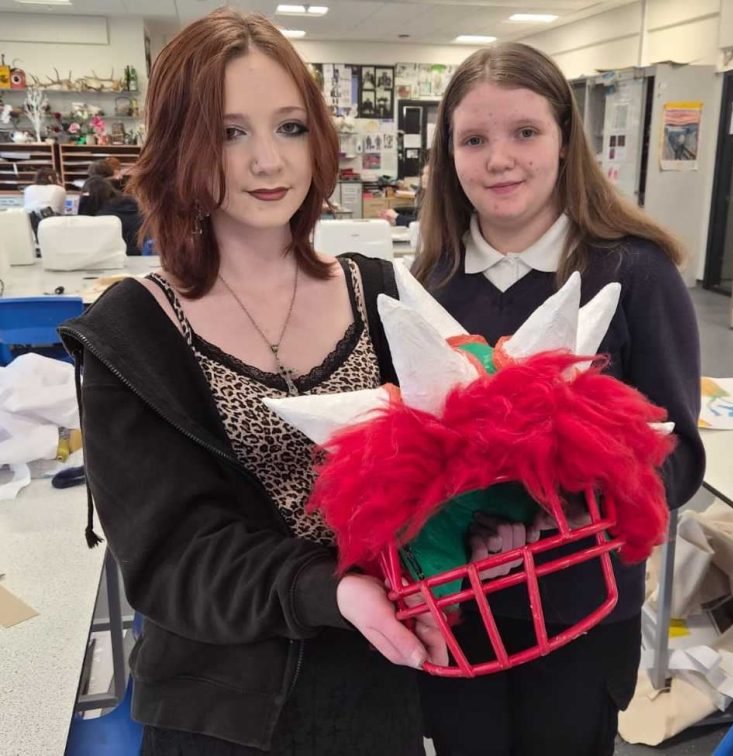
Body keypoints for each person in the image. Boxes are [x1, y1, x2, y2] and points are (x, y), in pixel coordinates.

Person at [58, 8, 445, 755]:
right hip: (224, 711)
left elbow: (444, 468)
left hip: (373, 685)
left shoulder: (384, 294)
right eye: (231, 133)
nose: (268, 161)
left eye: (290, 126)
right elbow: (170, 556)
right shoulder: (135, 331)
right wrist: (327, 586)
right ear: (181, 147)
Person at [412, 43, 706, 756]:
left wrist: (579, 509)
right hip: (460, 604)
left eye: (525, 133)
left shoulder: (634, 273)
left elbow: (681, 455)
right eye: (473, 140)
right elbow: (411, 449)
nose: (498, 160)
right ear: (448, 155)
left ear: (565, 139)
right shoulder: (426, 285)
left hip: (583, 607)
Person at [78, 176, 144, 255]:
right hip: (144, 252)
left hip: (121, 255)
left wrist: (83, 205)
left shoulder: (103, 216)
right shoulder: (132, 202)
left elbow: (85, 233)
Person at [380, 162, 429, 227]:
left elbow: (420, 223)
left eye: (428, 174)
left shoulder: (438, 200)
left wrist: (397, 216)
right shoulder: (426, 195)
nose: (423, 177)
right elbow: (417, 213)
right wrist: (395, 217)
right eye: (423, 174)